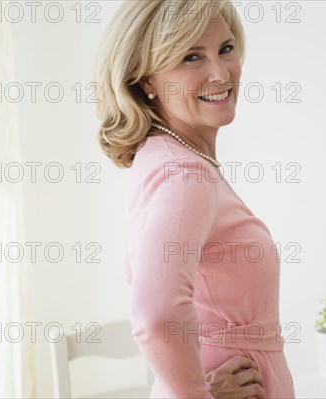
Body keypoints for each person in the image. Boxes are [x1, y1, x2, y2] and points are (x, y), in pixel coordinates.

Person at [93, 1, 295, 397]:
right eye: (191, 56)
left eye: (226, 48)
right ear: (145, 79)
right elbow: (156, 316)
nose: (221, 74)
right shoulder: (186, 175)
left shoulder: (164, 157)